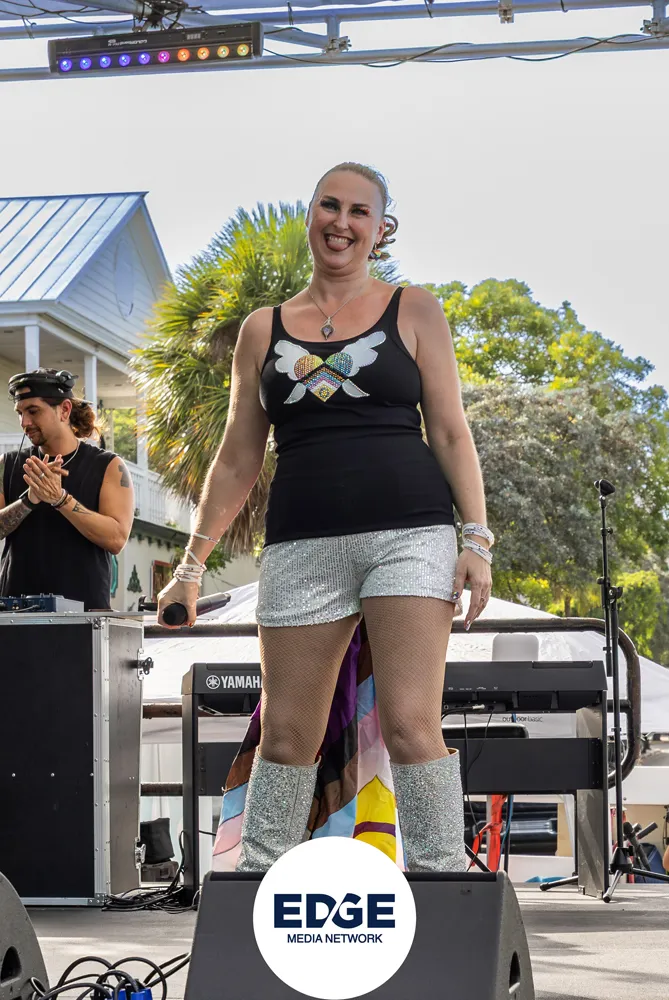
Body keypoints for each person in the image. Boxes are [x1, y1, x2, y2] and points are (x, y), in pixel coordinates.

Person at [158, 162, 493, 872]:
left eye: (359, 212)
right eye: (329, 206)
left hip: (411, 535)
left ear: (381, 229)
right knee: (285, 734)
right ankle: (261, 881)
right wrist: (189, 566)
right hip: (301, 545)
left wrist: (477, 538)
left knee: (410, 725)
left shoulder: (414, 309)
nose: (342, 222)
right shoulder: (263, 329)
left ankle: (442, 881)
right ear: (310, 214)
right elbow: (236, 457)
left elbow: (450, 431)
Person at [0, 368, 135, 611]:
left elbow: (116, 539)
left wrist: (61, 499)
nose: (24, 423)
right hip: (14, 616)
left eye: (33, 411)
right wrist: (28, 501)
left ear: (64, 410)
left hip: (84, 618)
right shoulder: (8, 464)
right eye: (20, 413)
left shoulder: (108, 466)